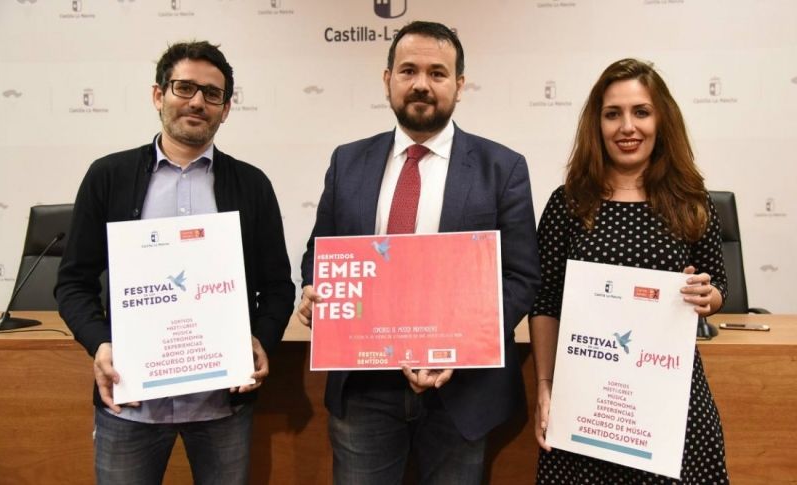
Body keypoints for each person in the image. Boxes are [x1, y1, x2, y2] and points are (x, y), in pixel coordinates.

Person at [296, 20, 540, 484]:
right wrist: (314, 288)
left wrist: (461, 347)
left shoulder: (502, 168)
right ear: (387, 79)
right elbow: (319, 252)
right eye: (408, 71)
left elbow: (521, 277)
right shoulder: (347, 161)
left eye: (437, 73)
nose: (422, 84)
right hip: (365, 388)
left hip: (462, 390)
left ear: (460, 85)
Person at [55, 41, 295, 485]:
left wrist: (262, 339)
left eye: (212, 94)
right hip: (130, 405)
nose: (197, 102)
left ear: (226, 109)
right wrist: (100, 344)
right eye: (184, 88)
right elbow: (73, 282)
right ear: (158, 95)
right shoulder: (108, 176)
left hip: (221, 405)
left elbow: (279, 287)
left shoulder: (252, 185)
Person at [530, 58, 730, 484]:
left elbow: (718, 286)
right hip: (585, 407)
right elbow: (545, 302)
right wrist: (545, 386)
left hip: (671, 404)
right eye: (612, 114)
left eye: (641, 112)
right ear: (597, 124)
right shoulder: (567, 203)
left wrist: (707, 296)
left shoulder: (692, 201)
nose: (627, 127)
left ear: (661, 120)